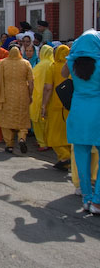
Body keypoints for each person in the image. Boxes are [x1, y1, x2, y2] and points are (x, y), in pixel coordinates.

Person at [65, 30, 100, 212]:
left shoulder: (71, 63)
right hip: (97, 113)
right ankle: (97, 200)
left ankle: (86, 197)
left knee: (81, 158)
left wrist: (71, 53)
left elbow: (64, 73)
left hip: (78, 112)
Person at [0, 45, 34, 154]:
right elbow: (31, 83)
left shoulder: (3, 63)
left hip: (6, 95)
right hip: (22, 95)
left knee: (6, 120)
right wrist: (30, 95)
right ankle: (22, 138)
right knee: (22, 119)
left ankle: (9, 144)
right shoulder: (26, 63)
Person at [41, 45, 71, 171]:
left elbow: (48, 88)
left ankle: (64, 157)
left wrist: (43, 105)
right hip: (69, 105)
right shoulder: (72, 67)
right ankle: (67, 160)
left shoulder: (52, 68)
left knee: (53, 134)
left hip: (55, 104)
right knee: (67, 134)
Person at [29, 45, 54, 152]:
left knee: (38, 121)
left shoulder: (39, 66)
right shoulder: (53, 64)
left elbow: (32, 80)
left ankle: (42, 142)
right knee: (49, 121)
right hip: (52, 97)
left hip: (39, 96)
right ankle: (50, 141)